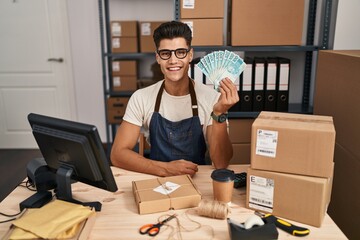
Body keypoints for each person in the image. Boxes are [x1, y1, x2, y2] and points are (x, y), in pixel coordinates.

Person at [110, 21, 239, 177]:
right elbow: (117, 154)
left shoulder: (212, 98)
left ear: (190, 55)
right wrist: (165, 169)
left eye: (180, 52)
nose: (173, 60)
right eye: (165, 53)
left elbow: (221, 163)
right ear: (157, 58)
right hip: (156, 177)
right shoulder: (141, 97)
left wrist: (219, 113)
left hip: (196, 179)